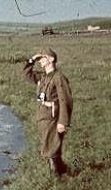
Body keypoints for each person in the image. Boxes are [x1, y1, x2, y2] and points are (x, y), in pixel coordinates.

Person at [23, 47, 73, 177]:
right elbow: (26, 74)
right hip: (43, 118)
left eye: (42, 58)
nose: (40, 61)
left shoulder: (58, 77)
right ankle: (63, 173)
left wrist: (63, 122)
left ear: (51, 59)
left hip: (53, 117)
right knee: (49, 145)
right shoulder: (43, 77)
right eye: (39, 59)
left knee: (51, 147)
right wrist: (32, 59)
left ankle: (56, 177)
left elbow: (65, 100)